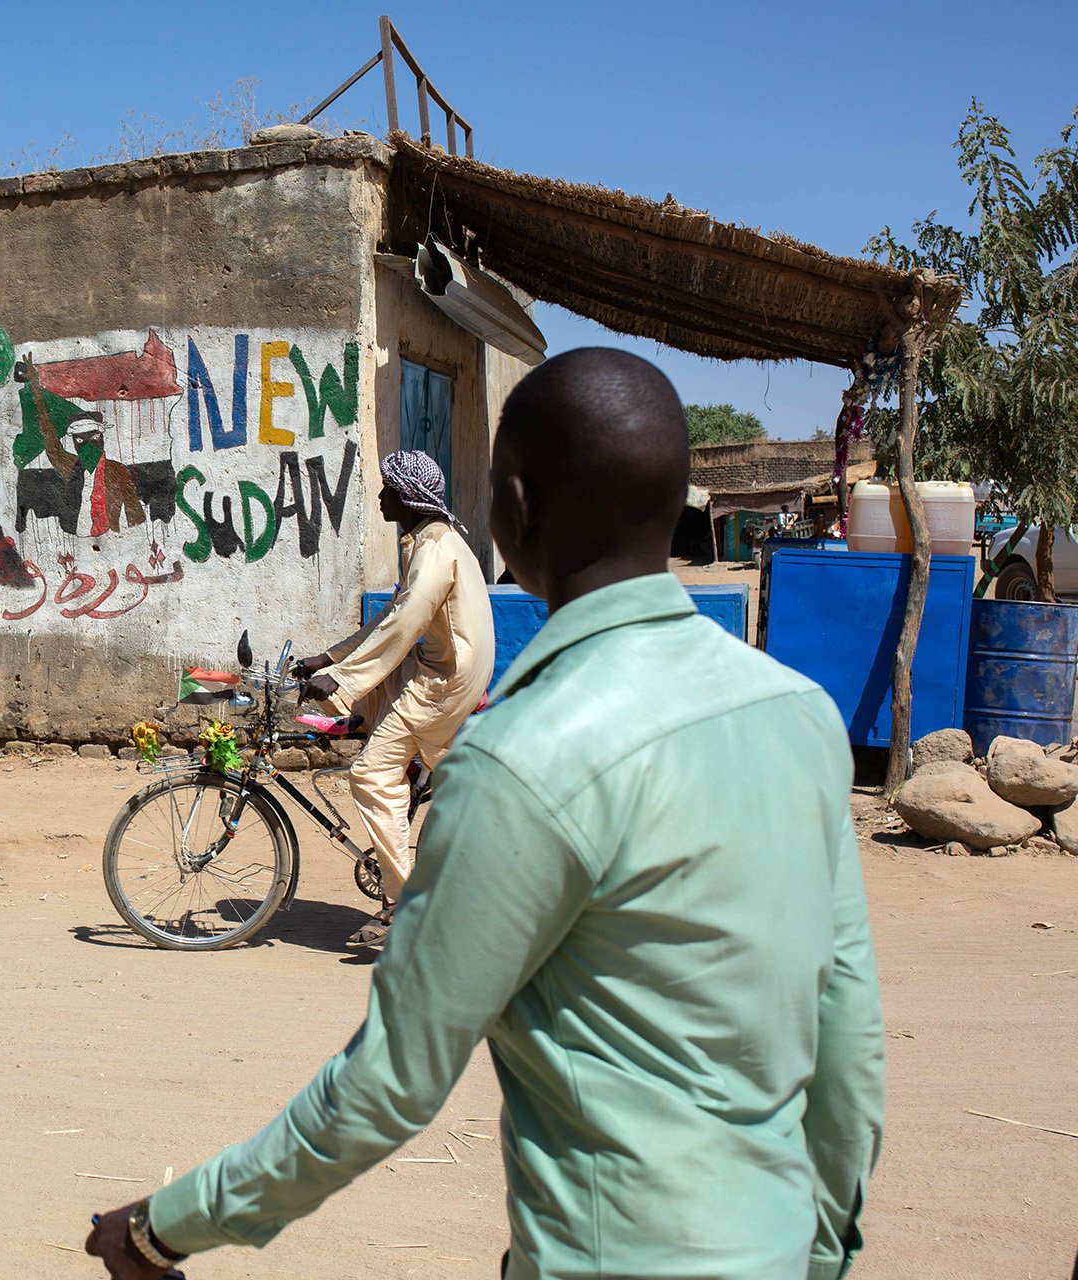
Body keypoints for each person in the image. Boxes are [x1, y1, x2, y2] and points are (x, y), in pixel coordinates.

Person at [86, 348, 885, 1280]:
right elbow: (849, 1053)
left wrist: (163, 1225)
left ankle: (411, 896)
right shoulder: (798, 714)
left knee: (373, 780)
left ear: (515, 504)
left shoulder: (519, 762)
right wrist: (822, 1254)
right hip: (783, 1253)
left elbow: (384, 1091)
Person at [292, 449, 494, 948]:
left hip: (441, 684)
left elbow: (405, 625)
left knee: (370, 772)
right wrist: (329, 658)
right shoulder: (431, 542)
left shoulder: (433, 550)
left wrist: (342, 679)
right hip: (445, 675)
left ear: (406, 496)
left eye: (387, 490)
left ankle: (406, 906)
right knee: (423, 773)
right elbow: (392, 616)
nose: (380, 497)